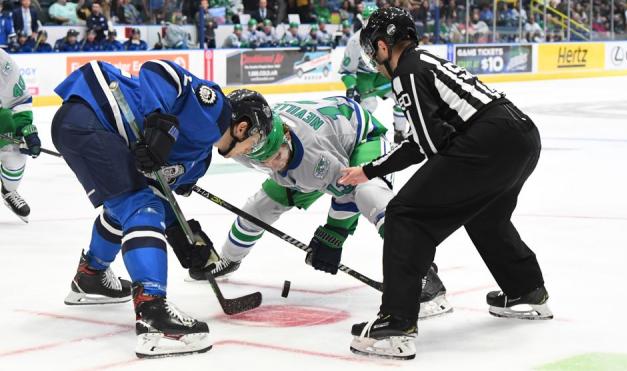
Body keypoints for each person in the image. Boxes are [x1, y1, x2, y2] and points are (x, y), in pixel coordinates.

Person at [339, 7, 552, 360]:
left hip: (490, 141)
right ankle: (526, 290)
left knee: (405, 215)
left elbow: (427, 145)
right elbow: (433, 138)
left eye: (371, 52)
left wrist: (374, 172)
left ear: (381, 45)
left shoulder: (405, 71)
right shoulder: (424, 60)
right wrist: (369, 171)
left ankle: (396, 324)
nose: (373, 63)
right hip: (521, 135)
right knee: (486, 217)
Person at [51, 59, 267, 358]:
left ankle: (91, 276)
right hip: (96, 114)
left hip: (91, 129)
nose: (251, 149)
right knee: (140, 208)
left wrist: (181, 234)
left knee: (126, 207)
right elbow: (158, 70)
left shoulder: (197, 163)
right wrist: (159, 123)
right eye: (255, 140)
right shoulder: (216, 110)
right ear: (243, 127)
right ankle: (154, 315)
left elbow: (156, 189)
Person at [199, 92, 453, 319]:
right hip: (312, 152)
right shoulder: (251, 138)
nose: (272, 165)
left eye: (276, 156)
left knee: (369, 195)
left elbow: (347, 194)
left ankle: (421, 271)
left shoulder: (315, 157)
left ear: (285, 135)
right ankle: (229, 259)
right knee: (258, 208)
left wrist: (334, 234)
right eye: (263, 160)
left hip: (360, 140)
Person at [339, 5, 408, 144]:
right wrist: (351, 88)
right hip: (365, 77)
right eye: (367, 19)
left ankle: (400, 133)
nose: (371, 23)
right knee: (369, 105)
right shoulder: (354, 41)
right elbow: (347, 70)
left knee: (401, 97)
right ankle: (359, 135)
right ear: (362, 20)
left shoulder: (388, 36)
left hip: (383, 75)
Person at [0, 49, 41, 222]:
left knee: (16, 153)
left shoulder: (4, 63)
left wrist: (25, 130)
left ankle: (8, 190)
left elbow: (19, 101)